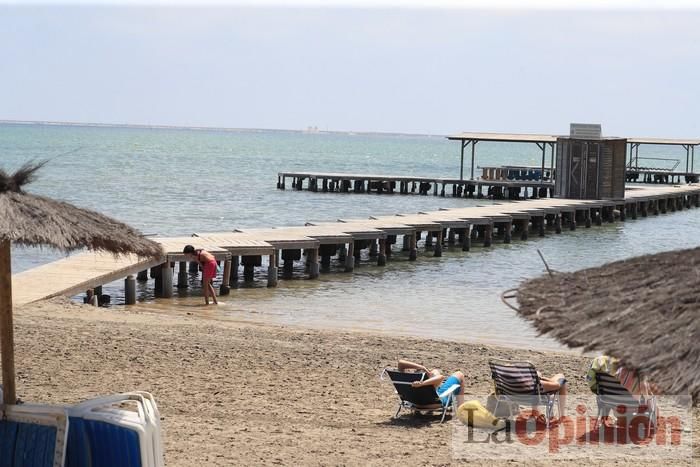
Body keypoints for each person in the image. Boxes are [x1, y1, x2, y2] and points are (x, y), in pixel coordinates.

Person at [398, 359, 466, 408]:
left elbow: (400, 363)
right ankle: (461, 406)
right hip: (435, 402)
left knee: (435, 371)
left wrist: (422, 368)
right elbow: (441, 377)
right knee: (459, 374)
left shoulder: (405, 380)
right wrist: (422, 383)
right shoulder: (423, 384)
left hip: (414, 402)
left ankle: (436, 385)